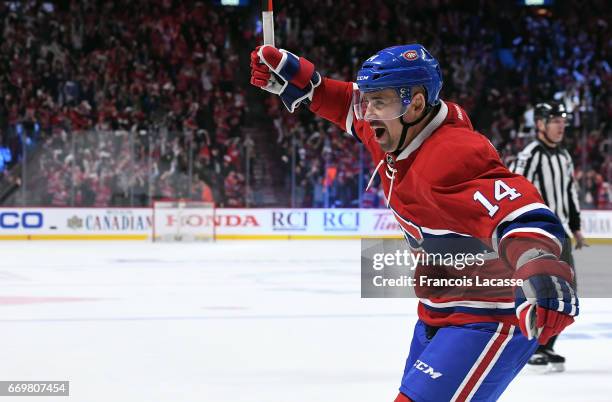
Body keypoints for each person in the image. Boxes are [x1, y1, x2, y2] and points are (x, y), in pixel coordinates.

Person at [250, 44, 578, 401]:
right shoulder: (399, 130)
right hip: (438, 311)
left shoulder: (452, 154)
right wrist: (308, 84)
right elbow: (347, 105)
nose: (368, 114)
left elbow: (520, 211)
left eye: (380, 102)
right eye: (368, 100)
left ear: (417, 104)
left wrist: (540, 264)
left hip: (488, 315)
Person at [509, 102, 586, 372]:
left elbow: (570, 193)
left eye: (563, 120)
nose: (561, 125)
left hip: (561, 232)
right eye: (555, 120)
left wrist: (575, 228)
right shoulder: (529, 155)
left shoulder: (564, 156)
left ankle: (546, 345)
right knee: (541, 289)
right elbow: (513, 191)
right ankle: (532, 348)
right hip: (538, 233)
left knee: (567, 291)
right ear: (540, 124)